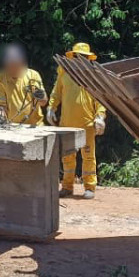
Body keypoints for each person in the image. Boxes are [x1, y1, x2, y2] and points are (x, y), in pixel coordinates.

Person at [50, 42, 107, 199]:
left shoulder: (94, 76)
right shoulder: (64, 73)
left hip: (87, 124)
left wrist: (100, 116)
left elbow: (100, 99)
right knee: (67, 158)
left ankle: (90, 187)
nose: (80, 59)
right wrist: (51, 108)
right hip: (67, 124)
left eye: (84, 57)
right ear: (73, 57)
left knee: (88, 156)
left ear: (88, 59)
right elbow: (56, 93)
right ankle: (67, 187)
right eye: (78, 56)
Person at [0, 43, 48, 126]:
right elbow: (1, 105)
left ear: (21, 63)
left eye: (15, 64)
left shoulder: (33, 75)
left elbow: (43, 102)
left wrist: (39, 95)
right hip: (12, 126)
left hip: (35, 125)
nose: (12, 68)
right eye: (10, 64)